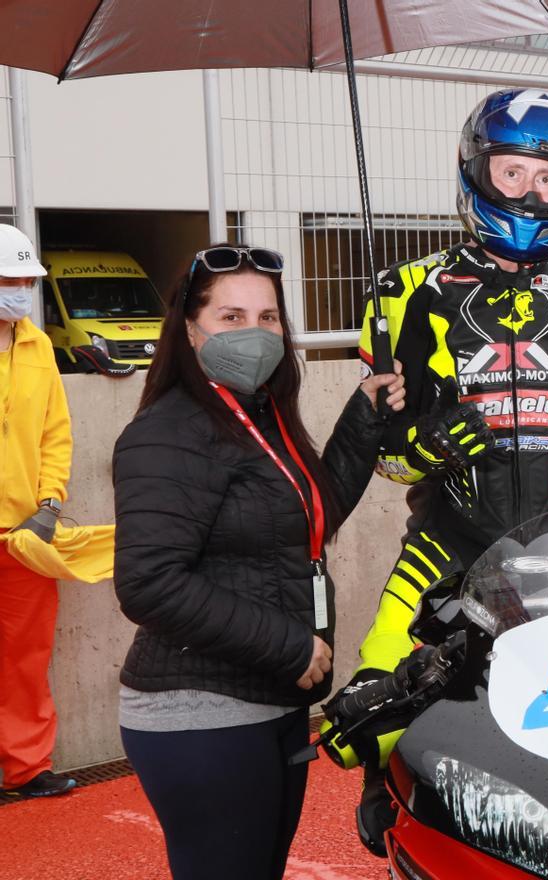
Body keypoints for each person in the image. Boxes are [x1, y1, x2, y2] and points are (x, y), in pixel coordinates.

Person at [330, 89, 548, 853]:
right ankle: (405, 809)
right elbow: (386, 456)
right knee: (361, 730)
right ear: (475, 171)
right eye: (513, 173)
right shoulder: (405, 291)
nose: (531, 194)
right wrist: (433, 441)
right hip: (444, 546)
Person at [112, 244, 404, 880]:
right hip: (201, 714)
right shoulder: (169, 430)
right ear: (190, 329)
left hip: (271, 705)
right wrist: (288, 646)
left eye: (268, 317)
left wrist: (363, 417)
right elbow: (148, 583)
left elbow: (308, 518)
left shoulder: (258, 415)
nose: (255, 332)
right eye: (231, 317)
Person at [0, 224, 77, 800]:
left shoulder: (39, 345)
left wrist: (49, 503)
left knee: (26, 658)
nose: (21, 290)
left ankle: (26, 769)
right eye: (11, 279)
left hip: (24, 535)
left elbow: (55, 432)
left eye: (27, 280)